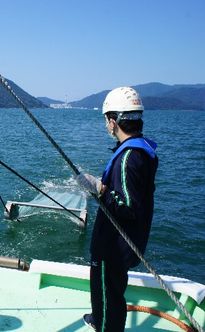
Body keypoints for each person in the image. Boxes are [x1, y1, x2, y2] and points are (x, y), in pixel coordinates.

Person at [76, 87, 158, 331]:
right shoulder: (141, 150)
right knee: (110, 291)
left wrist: (99, 189)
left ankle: (105, 325)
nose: (107, 125)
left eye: (107, 120)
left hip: (112, 247)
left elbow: (129, 206)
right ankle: (101, 317)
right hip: (122, 244)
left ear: (114, 121)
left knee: (107, 291)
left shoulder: (128, 157)